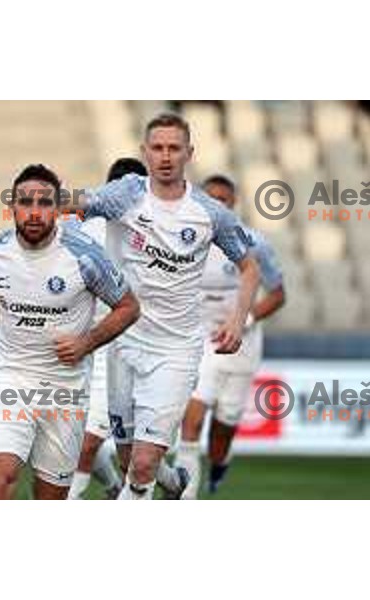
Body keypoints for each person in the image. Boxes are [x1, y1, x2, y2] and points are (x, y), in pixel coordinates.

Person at [0, 164, 140, 500]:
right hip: (13, 378)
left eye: (44, 203)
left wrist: (85, 343)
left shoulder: (85, 256)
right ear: (12, 206)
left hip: (66, 387)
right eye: (26, 202)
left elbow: (129, 307)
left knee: (49, 497)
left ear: (58, 208)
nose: (34, 213)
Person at [74, 112, 260, 500]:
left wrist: (238, 320)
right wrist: (40, 202)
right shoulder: (124, 194)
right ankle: (174, 483)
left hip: (174, 349)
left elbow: (249, 266)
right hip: (122, 343)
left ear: (189, 153)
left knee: (141, 467)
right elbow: (77, 204)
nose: (165, 156)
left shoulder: (209, 212)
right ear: (145, 152)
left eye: (174, 148)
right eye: (157, 147)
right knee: (130, 462)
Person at [174, 174, 285, 498]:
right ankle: (186, 497)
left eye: (225, 199)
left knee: (222, 432)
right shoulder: (184, 241)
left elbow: (278, 295)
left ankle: (221, 461)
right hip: (202, 344)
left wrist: (246, 320)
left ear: (234, 203)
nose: (218, 205)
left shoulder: (254, 244)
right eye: (212, 199)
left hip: (242, 347)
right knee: (191, 421)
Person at [67, 157, 148, 500]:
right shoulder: (87, 229)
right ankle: (157, 482)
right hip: (85, 345)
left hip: (127, 347)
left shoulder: (154, 233)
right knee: (73, 436)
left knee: (87, 444)